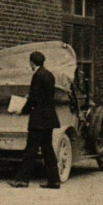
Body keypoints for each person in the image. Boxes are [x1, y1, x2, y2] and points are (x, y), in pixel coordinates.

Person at [9, 51, 61, 189]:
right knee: (48, 150)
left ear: (32, 63)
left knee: (30, 150)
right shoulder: (49, 75)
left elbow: (34, 99)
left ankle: (22, 180)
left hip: (38, 120)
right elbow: (44, 95)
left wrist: (22, 110)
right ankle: (54, 180)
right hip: (49, 118)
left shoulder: (37, 76)